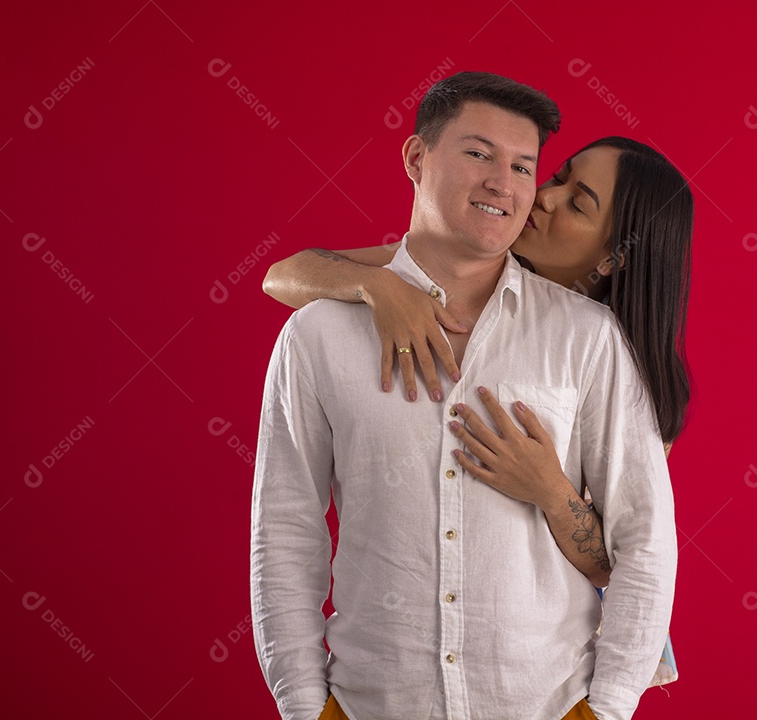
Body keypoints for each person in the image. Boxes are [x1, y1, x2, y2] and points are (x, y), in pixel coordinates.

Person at [250, 71, 677, 720]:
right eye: (479, 153)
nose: (525, 193)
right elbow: (284, 532)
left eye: (531, 172)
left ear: (612, 257)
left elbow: (637, 552)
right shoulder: (321, 333)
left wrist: (606, 708)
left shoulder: (595, 340)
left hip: (549, 695)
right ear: (417, 158)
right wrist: (306, 707)